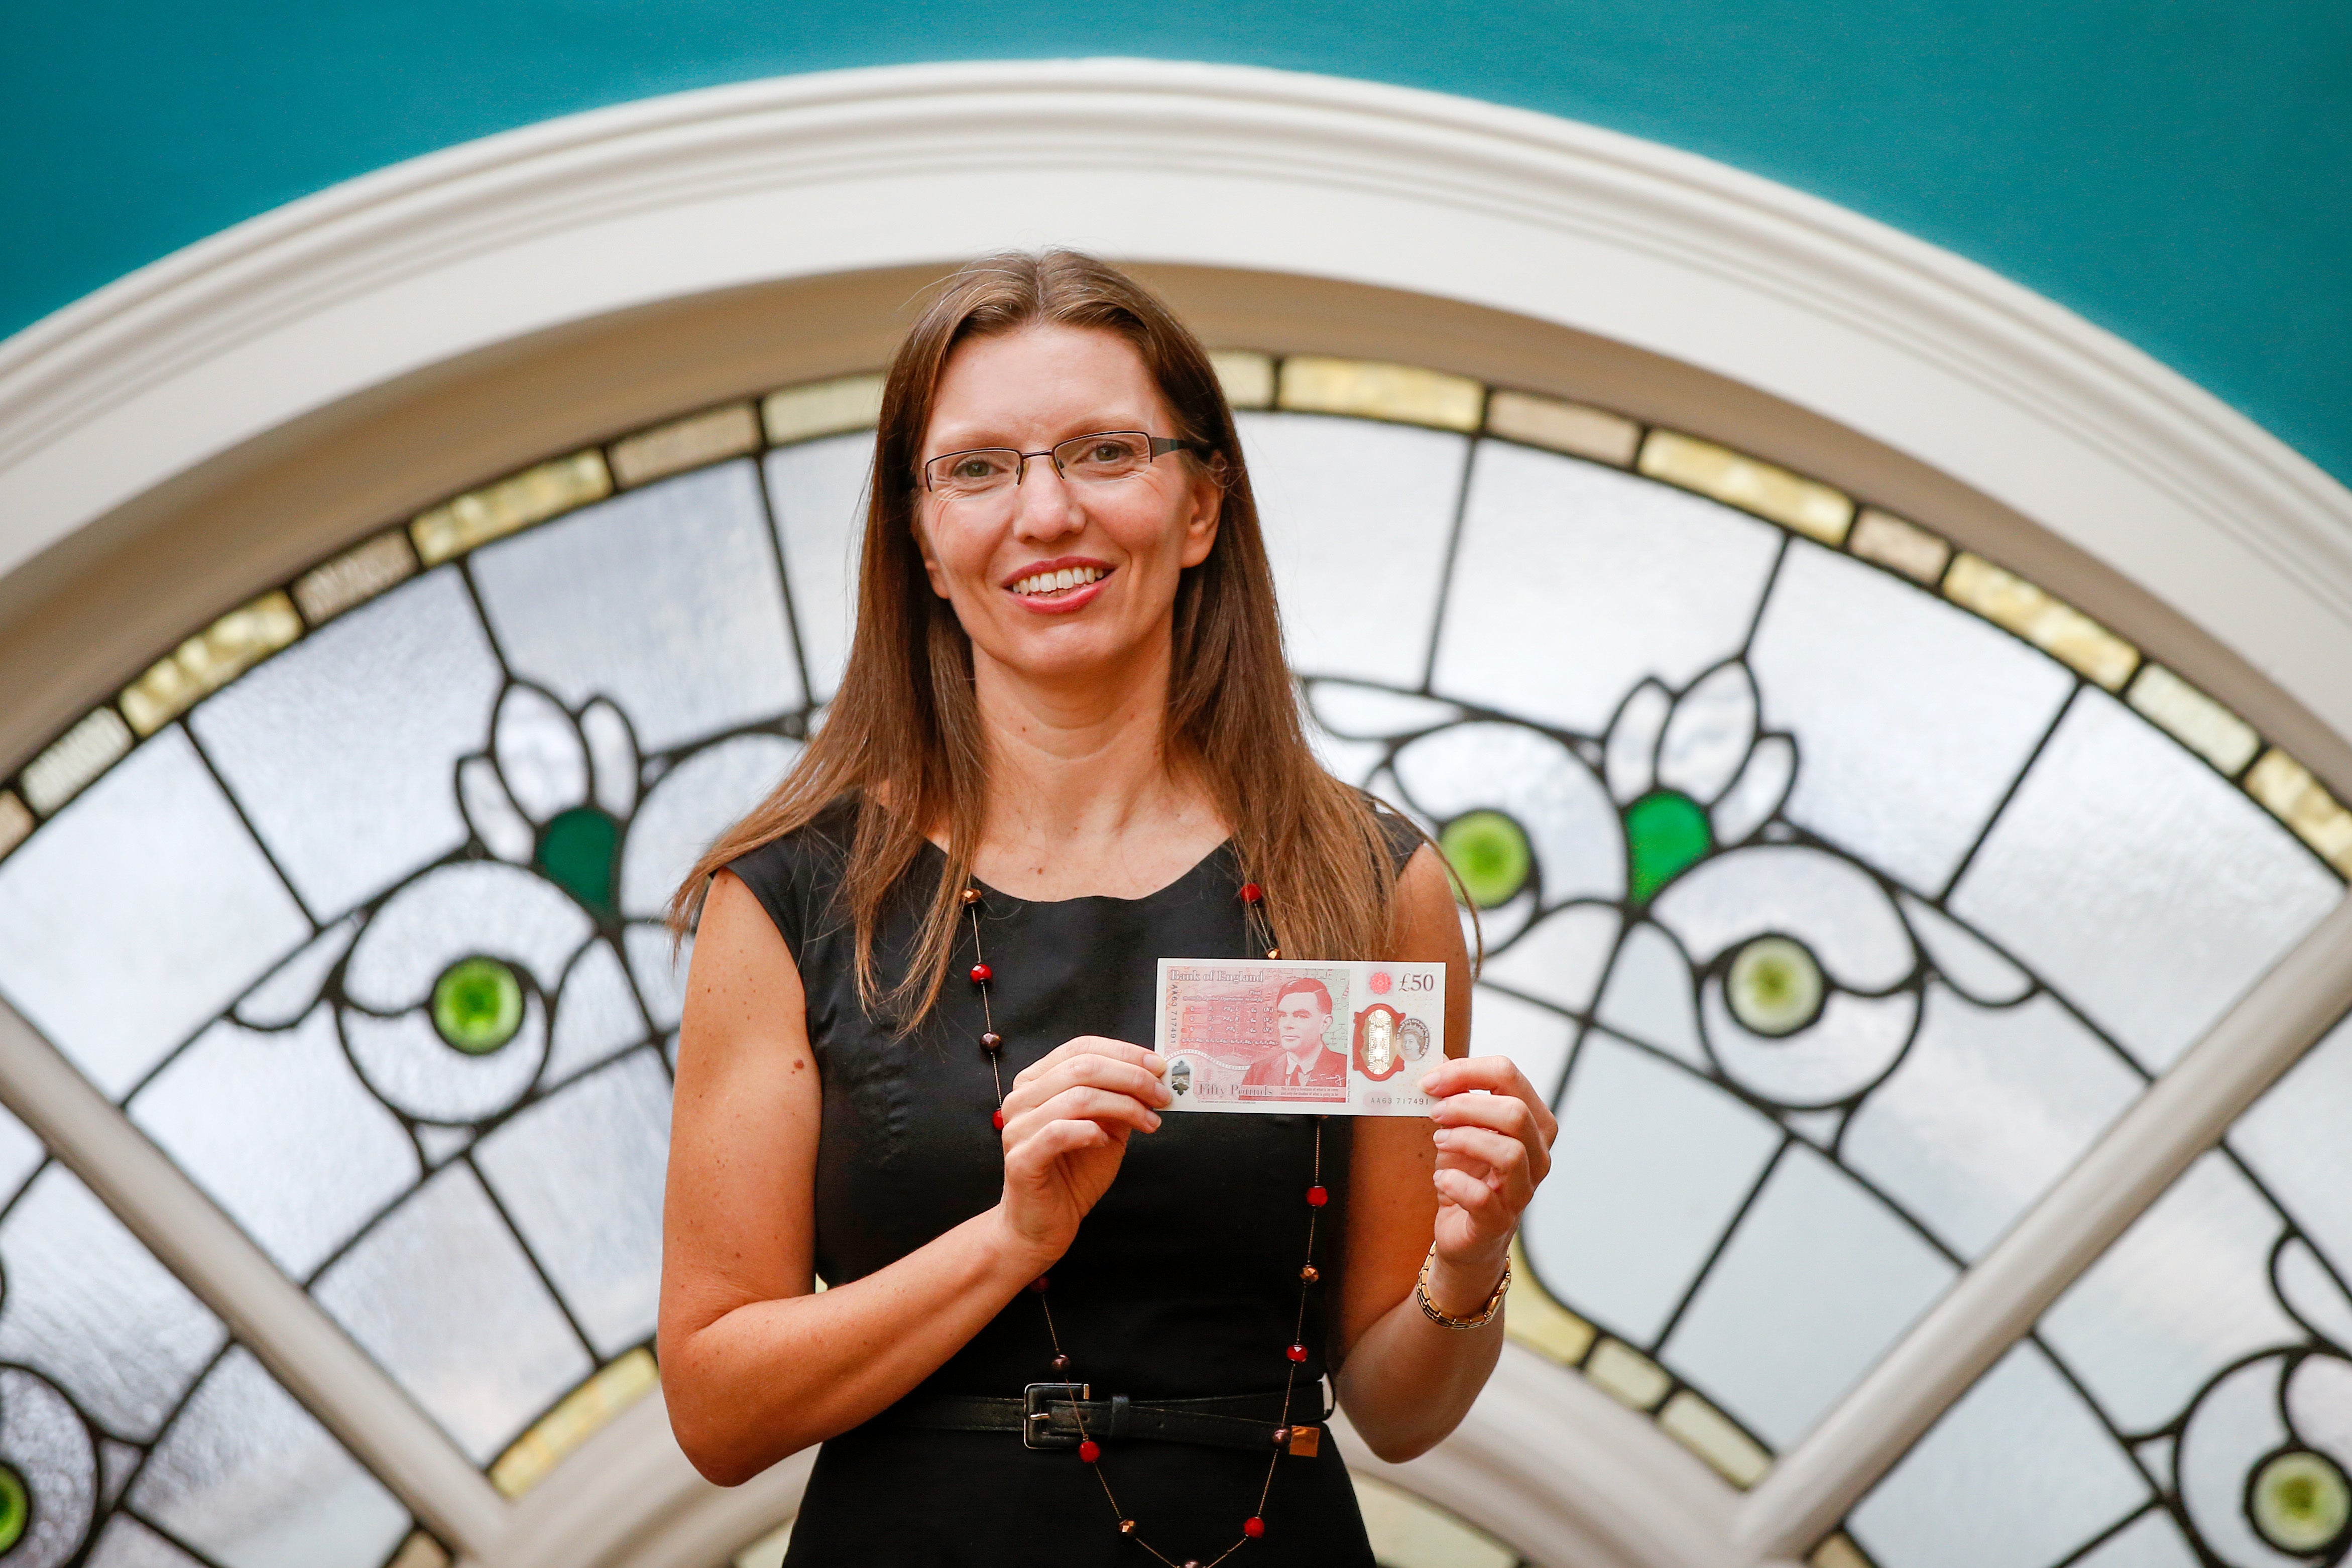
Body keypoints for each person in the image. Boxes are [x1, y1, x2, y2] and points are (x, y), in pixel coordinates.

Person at [659, 251, 1557, 1566]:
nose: (1045, 512)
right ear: (919, 534)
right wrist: (1014, 1237)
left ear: (1199, 504)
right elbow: (716, 1405)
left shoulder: (1365, 882)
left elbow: (1396, 1408)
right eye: (977, 467)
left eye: (1104, 452)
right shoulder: (789, 895)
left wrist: (1470, 1269)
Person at [1243, 978, 1347, 1093]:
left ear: (1325, 1024)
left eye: (1301, 1016)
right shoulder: (1257, 1072)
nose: (1287, 1025)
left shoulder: (1347, 1070)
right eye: (1283, 1016)